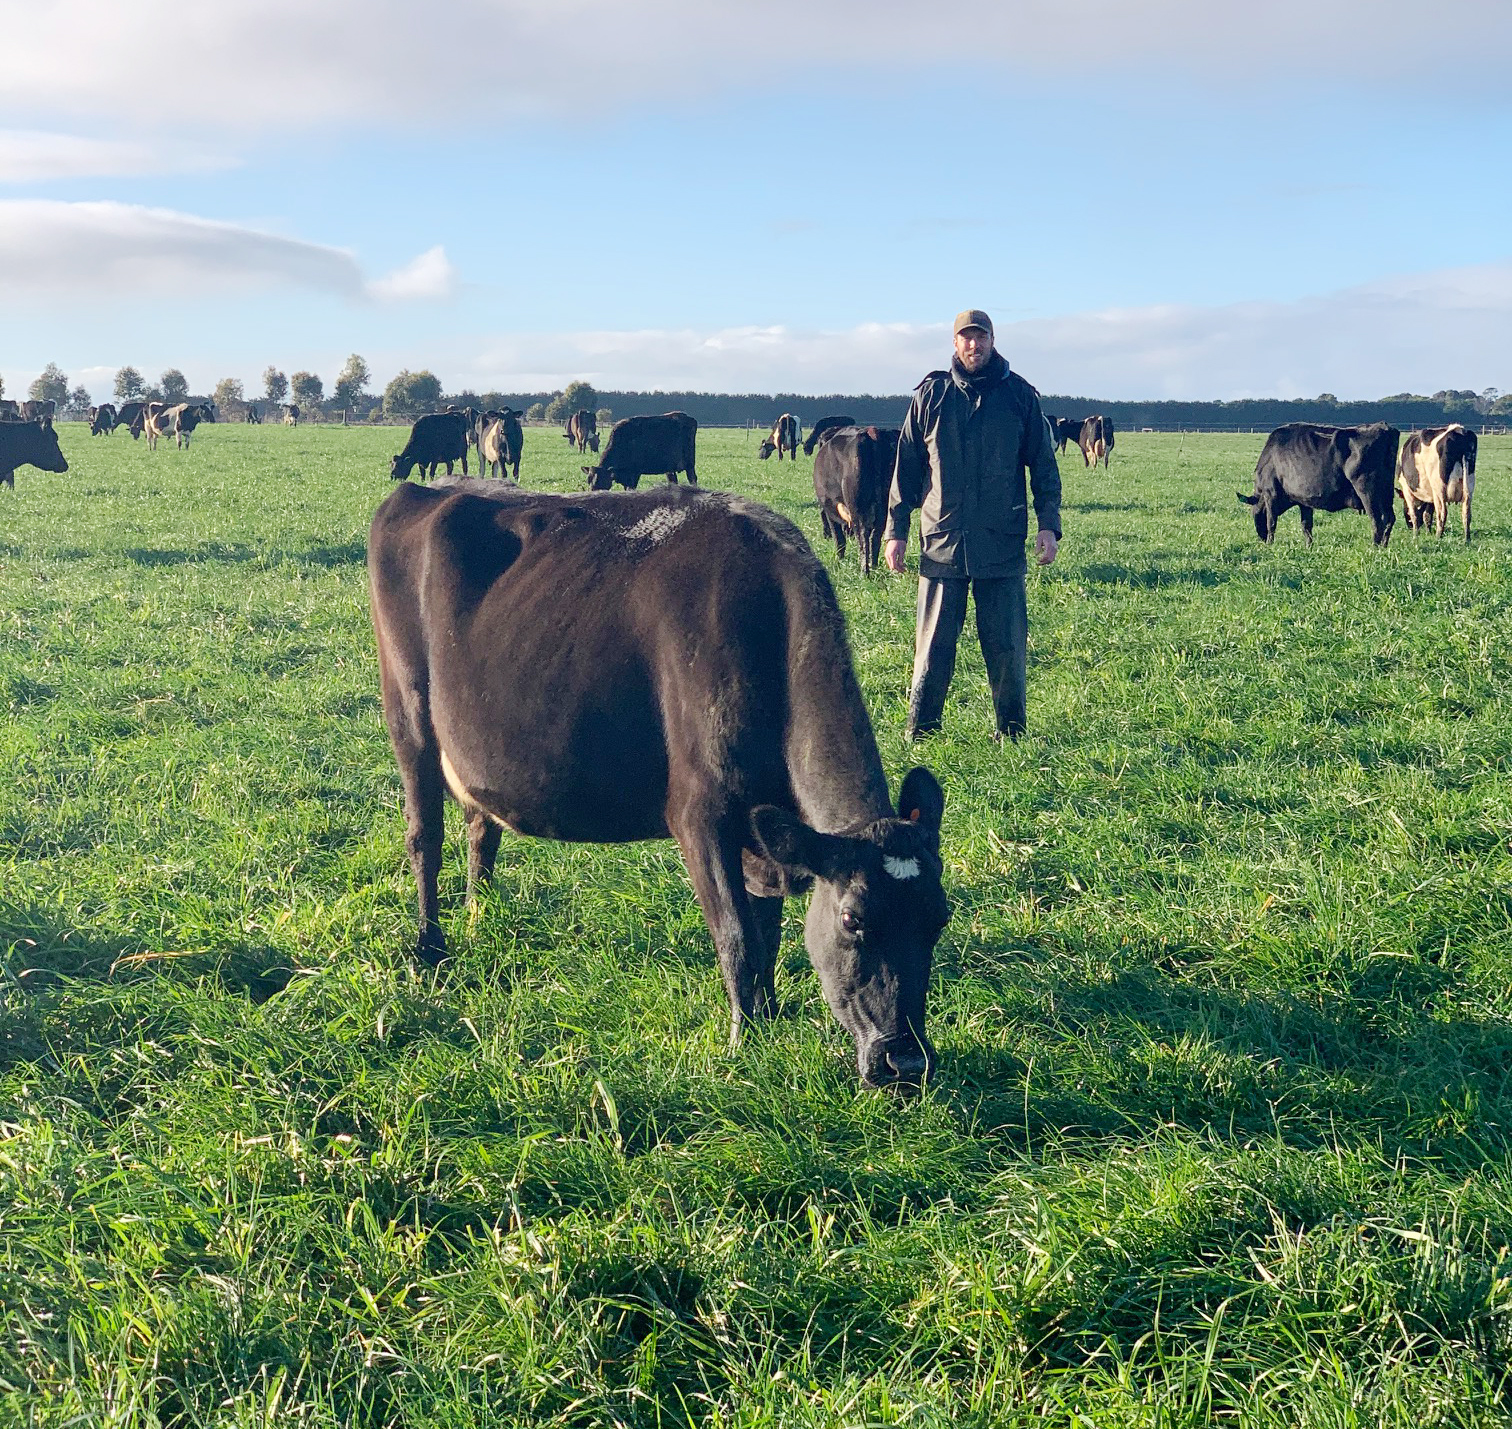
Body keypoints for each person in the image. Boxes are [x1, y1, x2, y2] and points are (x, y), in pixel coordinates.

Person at [883, 309, 1061, 742]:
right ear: (955, 343)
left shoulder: (1019, 396)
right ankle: (921, 733)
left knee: (1007, 648)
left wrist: (1048, 525)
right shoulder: (931, 396)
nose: (973, 345)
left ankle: (1011, 734)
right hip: (942, 540)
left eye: (980, 337)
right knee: (932, 646)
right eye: (966, 337)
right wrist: (895, 531)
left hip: (1001, 543)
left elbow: (1043, 465)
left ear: (992, 340)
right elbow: (906, 467)